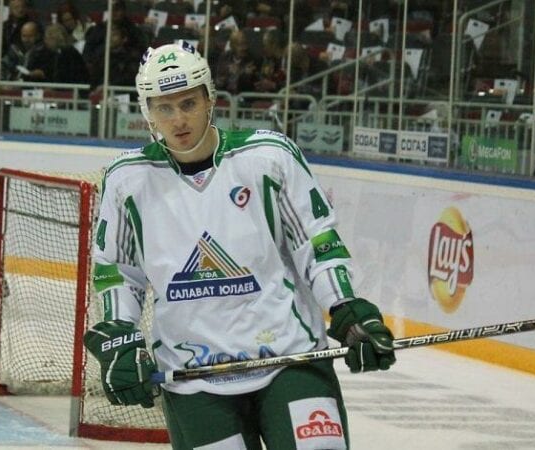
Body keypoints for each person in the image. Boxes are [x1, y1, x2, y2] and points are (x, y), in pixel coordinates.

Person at [84, 41, 396, 449]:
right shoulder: (128, 180)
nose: (179, 119)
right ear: (148, 113)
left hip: (289, 359)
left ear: (210, 99)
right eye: (164, 108)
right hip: (193, 375)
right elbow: (117, 271)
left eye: (189, 103)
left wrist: (346, 308)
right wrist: (120, 337)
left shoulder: (268, 157)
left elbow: (316, 242)